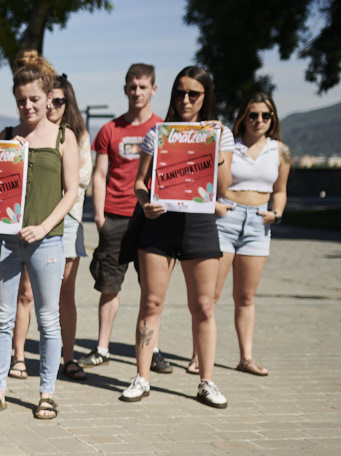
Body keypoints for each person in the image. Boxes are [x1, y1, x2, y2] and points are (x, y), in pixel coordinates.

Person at [0, 53, 78, 419]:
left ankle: (46, 392)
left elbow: (71, 192)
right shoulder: (5, 137)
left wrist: (44, 227)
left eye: (34, 98)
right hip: (4, 241)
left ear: (49, 97)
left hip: (47, 241)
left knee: (48, 320)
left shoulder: (65, 137)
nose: (27, 105)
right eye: (21, 100)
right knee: (2, 318)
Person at [123, 66, 234, 408]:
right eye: (179, 93)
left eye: (194, 94)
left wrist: (213, 145)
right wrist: (146, 203)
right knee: (151, 303)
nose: (185, 99)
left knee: (202, 306)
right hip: (159, 224)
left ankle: (206, 381)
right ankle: (142, 378)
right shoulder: (158, 133)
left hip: (200, 225)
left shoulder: (221, 135)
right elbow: (140, 183)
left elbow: (226, 188)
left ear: (206, 97)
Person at [187, 93, 290, 377]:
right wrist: (215, 206)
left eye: (265, 116)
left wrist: (277, 214)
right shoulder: (229, 144)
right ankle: (198, 356)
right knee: (211, 295)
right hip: (226, 219)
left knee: (245, 297)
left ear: (273, 120)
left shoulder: (280, 151)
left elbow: (280, 190)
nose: (259, 121)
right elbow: (205, 179)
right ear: (243, 116)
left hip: (259, 225)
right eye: (253, 114)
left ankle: (246, 357)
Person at [80, 64, 174, 374]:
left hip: (151, 218)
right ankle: (102, 348)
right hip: (116, 218)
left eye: (143, 86)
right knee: (109, 286)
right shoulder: (110, 130)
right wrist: (98, 216)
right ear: (125, 89)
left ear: (153, 90)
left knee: (152, 291)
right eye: (132, 86)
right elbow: (100, 173)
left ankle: (154, 350)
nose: (137, 92)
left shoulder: (164, 129)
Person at [6, 73, 92, 382]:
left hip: (69, 222)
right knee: (26, 292)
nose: (52, 105)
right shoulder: (22, 134)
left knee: (62, 295)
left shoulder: (74, 135)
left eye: (59, 101)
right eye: (49, 99)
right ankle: (18, 356)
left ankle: (67, 358)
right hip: (35, 221)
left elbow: (80, 180)